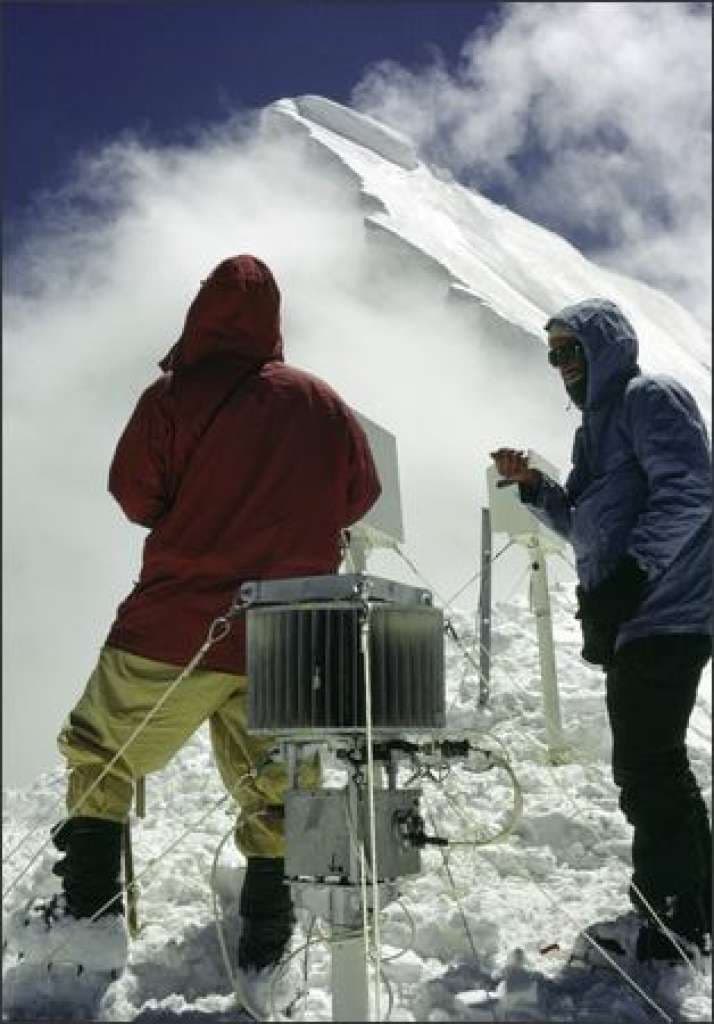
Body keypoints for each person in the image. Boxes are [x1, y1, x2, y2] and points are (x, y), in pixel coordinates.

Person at [10, 255, 381, 995]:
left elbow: (133, 494)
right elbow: (360, 496)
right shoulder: (323, 402)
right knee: (281, 789)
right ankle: (268, 946)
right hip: (289, 636)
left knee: (101, 752)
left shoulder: (173, 396)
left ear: (202, 311)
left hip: (177, 627)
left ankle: (88, 914)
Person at [491, 297, 712, 963]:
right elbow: (588, 528)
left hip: (670, 611)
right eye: (553, 353)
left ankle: (672, 923)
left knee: (647, 766)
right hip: (637, 618)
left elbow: (694, 491)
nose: (561, 365)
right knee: (654, 764)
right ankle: (686, 906)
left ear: (604, 346)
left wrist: (633, 577)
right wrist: (538, 491)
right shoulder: (594, 433)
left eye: (571, 349)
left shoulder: (649, 398)